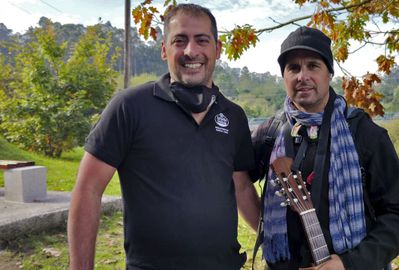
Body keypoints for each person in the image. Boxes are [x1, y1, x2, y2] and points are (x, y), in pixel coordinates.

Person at [67, 4, 260, 269]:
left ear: (217, 49)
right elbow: (88, 189)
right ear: (164, 49)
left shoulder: (234, 116)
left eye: (201, 40)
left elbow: (242, 188)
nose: (191, 51)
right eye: (179, 41)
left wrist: (275, 236)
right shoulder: (130, 107)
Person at [250, 27, 399, 270]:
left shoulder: (364, 134)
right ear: (284, 77)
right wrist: (268, 231)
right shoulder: (270, 133)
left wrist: (349, 263)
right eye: (293, 68)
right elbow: (236, 179)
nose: (302, 76)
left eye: (313, 65)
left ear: (329, 73)